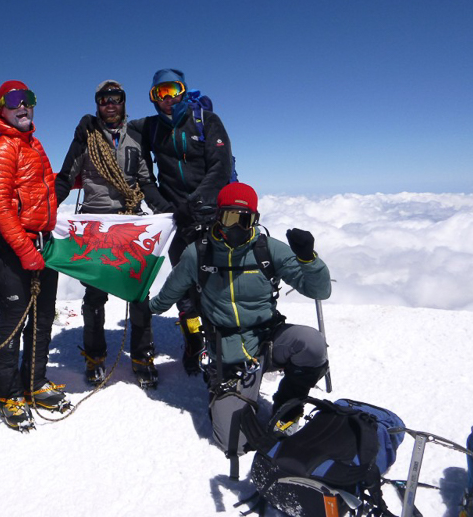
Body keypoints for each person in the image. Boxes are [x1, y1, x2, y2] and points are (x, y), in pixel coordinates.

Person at [137, 182, 330, 466]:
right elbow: (168, 296)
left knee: (311, 344)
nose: (236, 226)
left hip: (268, 338)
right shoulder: (198, 254)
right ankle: (225, 391)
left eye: (245, 219)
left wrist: (308, 259)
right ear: (218, 216)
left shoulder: (268, 250)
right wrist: (142, 305)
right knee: (234, 443)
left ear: (255, 219)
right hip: (227, 351)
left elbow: (318, 291)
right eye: (230, 217)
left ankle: (287, 406)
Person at [55, 80, 170, 388]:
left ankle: (142, 357)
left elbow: (146, 182)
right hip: (96, 225)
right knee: (94, 297)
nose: (110, 103)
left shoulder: (135, 136)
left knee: (140, 294)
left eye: (115, 98)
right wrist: (46, 207)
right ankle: (95, 358)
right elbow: (66, 177)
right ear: (97, 103)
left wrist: (168, 210)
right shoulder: (85, 136)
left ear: (123, 102)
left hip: (131, 222)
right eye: (103, 98)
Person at [129, 68, 235, 373]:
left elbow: (221, 165)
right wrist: (160, 204)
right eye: (159, 93)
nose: (166, 98)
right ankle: (194, 341)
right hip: (176, 219)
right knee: (184, 285)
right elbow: (121, 134)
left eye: (172, 90)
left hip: (212, 215)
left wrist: (199, 202)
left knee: (219, 282)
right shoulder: (150, 127)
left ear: (184, 90)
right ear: (153, 97)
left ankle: (225, 341)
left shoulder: (206, 121)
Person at [0, 80, 69, 431]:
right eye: (14, 101)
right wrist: (23, 249)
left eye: (28, 100)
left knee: (44, 316)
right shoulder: (1, 149)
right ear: (1, 107)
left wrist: (71, 179)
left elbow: (40, 187)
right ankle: (9, 394)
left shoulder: (32, 144)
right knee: (14, 320)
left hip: (41, 242)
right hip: (14, 245)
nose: (23, 106)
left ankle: (34, 382)